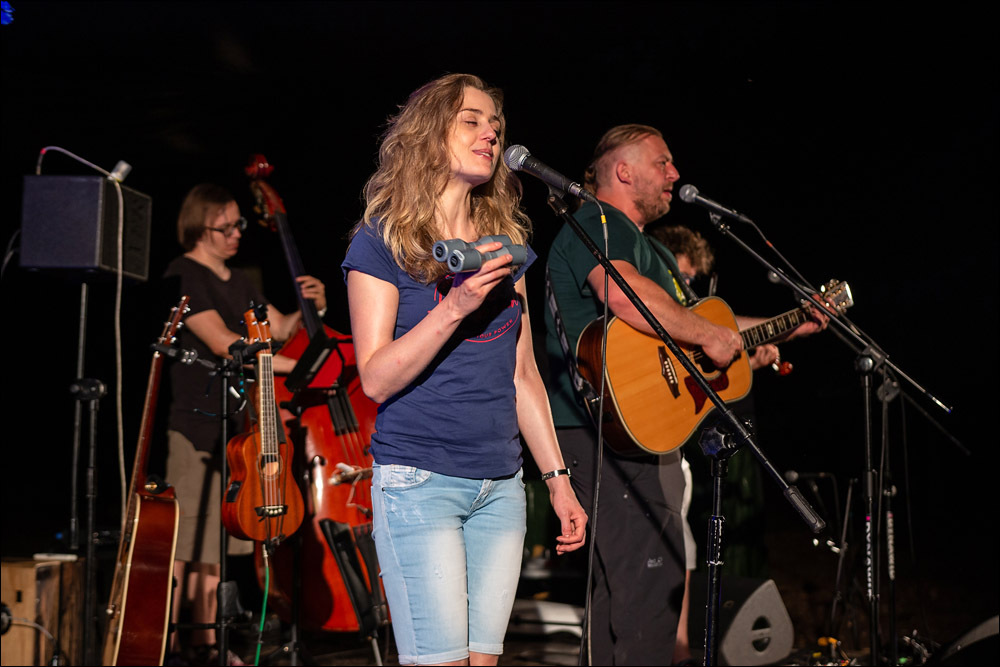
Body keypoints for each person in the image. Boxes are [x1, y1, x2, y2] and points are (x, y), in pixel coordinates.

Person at [544, 124, 825, 665]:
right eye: (663, 162)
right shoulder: (598, 222)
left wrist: (790, 324)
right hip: (602, 423)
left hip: (635, 428)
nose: (675, 174)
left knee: (625, 590)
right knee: (654, 583)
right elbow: (622, 294)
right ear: (623, 171)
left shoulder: (651, 249)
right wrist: (708, 336)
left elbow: (705, 326)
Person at [341, 73, 587, 667]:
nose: (490, 134)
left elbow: (524, 376)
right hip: (420, 482)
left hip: (500, 488)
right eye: (471, 121)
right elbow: (374, 379)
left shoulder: (506, 246)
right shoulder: (382, 243)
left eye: (495, 125)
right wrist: (454, 306)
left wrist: (558, 481)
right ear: (429, 136)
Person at [162, 183, 327, 662]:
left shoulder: (239, 280)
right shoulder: (184, 273)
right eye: (228, 226)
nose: (238, 233)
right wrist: (298, 369)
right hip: (196, 426)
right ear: (200, 227)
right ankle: (183, 646)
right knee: (191, 542)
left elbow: (278, 329)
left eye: (239, 224)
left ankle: (208, 645)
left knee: (222, 541)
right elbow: (223, 343)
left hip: (237, 431)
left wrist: (312, 308)